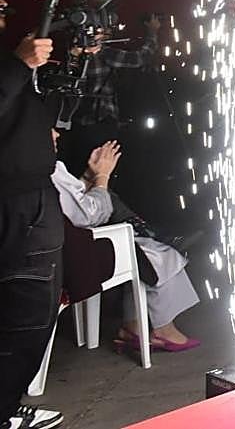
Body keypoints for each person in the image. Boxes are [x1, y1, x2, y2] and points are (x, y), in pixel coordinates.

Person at [50, 134, 200, 354]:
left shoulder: (21, 166)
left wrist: (87, 177)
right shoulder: (46, 169)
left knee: (144, 249)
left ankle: (134, 327)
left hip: (51, 251)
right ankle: (163, 329)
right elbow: (91, 215)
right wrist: (102, 177)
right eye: (46, 128)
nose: (56, 133)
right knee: (155, 253)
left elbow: (67, 205)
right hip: (72, 257)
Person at [0, 0, 65, 429]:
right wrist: (19, 65)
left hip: (30, 198)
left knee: (30, 314)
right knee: (26, 316)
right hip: (15, 205)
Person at [57, 14, 160, 173]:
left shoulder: (67, 54)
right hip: (101, 121)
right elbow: (140, 58)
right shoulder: (104, 53)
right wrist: (152, 32)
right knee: (99, 171)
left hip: (74, 123)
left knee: (74, 171)